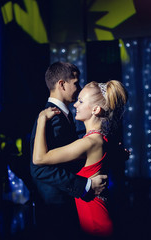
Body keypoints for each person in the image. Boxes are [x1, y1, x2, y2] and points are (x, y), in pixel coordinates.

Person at [33, 80, 128, 237]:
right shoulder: (101, 139)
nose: (75, 105)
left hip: (95, 222)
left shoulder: (88, 143)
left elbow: (39, 158)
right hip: (97, 216)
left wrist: (41, 120)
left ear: (96, 110)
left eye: (81, 101)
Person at [29, 62, 107, 239]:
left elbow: (67, 152)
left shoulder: (62, 115)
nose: (78, 89)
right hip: (55, 204)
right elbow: (39, 168)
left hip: (64, 201)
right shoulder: (50, 118)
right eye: (76, 83)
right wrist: (85, 186)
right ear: (62, 84)